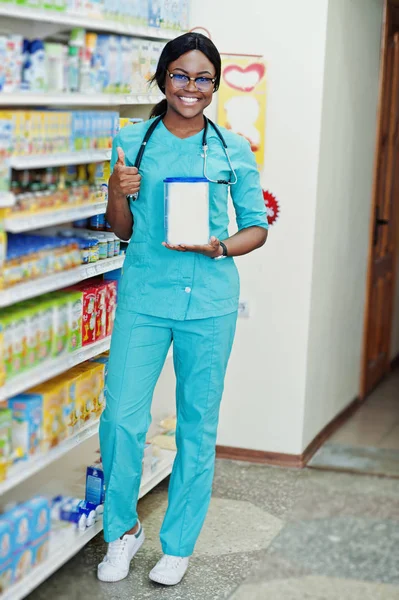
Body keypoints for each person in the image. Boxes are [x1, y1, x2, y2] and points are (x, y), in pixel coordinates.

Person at [97, 32, 268, 587]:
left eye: (203, 79)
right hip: (145, 297)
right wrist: (118, 191)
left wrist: (218, 246)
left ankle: (178, 545)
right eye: (180, 75)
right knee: (122, 418)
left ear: (214, 85)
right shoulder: (132, 139)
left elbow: (256, 228)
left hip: (210, 301)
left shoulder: (231, 148)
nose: (190, 88)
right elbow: (120, 230)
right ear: (161, 78)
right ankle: (122, 533)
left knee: (198, 424)